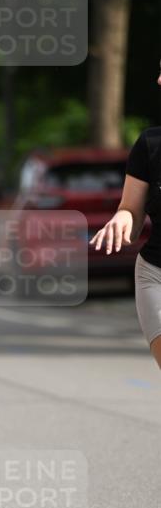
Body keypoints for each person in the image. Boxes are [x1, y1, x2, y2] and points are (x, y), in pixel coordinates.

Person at [90, 64, 161, 368]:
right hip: (157, 274)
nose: (158, 79)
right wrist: (122, 219)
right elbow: (130, 210)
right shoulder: (150, 144)